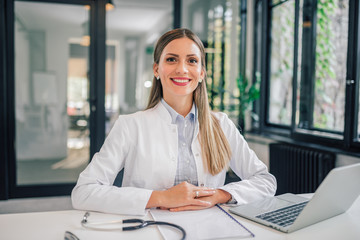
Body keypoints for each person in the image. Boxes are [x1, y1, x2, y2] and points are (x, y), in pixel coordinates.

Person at [71, 28, 276, 216]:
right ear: (156, 69)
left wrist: (220, 194)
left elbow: (265, 181)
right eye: (171, 59)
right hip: (148, 230)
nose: (182, 69)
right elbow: (84, 192)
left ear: (202, 73)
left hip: (211, 229)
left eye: (192, 61)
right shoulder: (130, 126)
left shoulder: (221, 124)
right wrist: (161, 197)